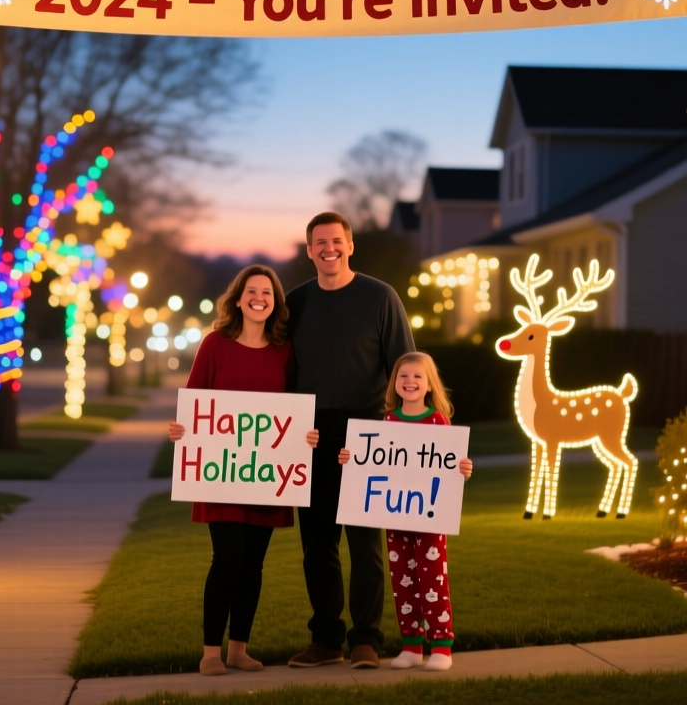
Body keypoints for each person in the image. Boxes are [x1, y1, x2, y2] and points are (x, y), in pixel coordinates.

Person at [166, 265, 320, 676]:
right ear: (238, 299)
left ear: (276, 303)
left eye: (267, 293)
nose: (259, 298)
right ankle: (210, 652)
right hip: (223, 474)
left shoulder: (284, 350)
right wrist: (182, 428)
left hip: (267, 477)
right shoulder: (215, 344)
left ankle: (239, 648)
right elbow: (196, 401)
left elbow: (292, 409)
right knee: (227, 558)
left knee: (253, 564)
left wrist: (303, 437)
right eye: (251, 291)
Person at [286, 211, 415, 670]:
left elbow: (406, 368)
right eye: (319, 242)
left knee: (365, 545)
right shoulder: (295, 302)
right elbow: (280, 370)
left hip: (368, 432)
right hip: (311, 433)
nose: (329, 249)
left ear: (350, 245)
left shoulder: (381, 297)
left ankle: (366, 640)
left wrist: (407, 428)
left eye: (336, 241)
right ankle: (325, 640)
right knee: (317, 544)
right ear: (309, 250)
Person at [337, 352, 473, 671]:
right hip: (395, 519)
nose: (409, 382)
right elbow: (375, 462)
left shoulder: (437, 420)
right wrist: (352, 459)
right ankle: (411, 644)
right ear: (394, 383)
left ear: (429, 385)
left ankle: (441, 645)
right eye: (403, 376)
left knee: (432, 579)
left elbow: (450, 463)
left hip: (429, 517)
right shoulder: (388, 421)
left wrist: (463, 468)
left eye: (417, 377)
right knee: (402, 581)